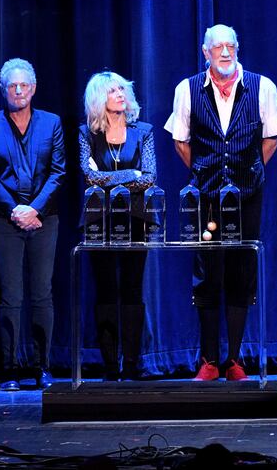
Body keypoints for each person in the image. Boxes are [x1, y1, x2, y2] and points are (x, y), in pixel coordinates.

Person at [165, 24, 277, 381]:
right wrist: (208, 175)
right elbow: (181, 143)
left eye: (230, 46)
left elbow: (271, 140)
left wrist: (245, 176)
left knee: (241, 270)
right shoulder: (187, 90)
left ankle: (234, 359)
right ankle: (208, 359)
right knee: (207, 272)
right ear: (205, 52)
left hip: (247, 195)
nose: (224, 52)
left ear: (237, 49)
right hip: (204, 196)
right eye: (217, 47)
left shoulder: (261, 86)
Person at [0, 58, 66, 391]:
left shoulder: (51, 122)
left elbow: (58, 171)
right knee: (11, 295)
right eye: (12, 86)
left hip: (44, 217)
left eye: (23, 85)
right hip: (5, 217)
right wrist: (16, 208)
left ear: (34, 87)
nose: (18, 91)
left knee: (42, 293)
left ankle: (42, 366)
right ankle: (10, 369)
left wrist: (35, 209)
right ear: (3, 90)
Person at [79, 71, 156, 380]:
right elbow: (88, 175)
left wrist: (114, 178)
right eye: (113, 90)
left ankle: (134, 362)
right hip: (100, 220)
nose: (120, 94)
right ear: (99, 97)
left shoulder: (144, 131)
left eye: (123, 88)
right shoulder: (87, 134)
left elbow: (150, 176)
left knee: (133, 289)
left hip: (137, 219)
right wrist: (131, 175)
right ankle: (111, 364)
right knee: (107, 290)